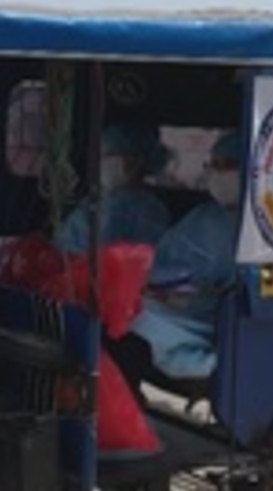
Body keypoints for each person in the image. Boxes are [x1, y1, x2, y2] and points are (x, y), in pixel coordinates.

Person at [111, 131, 242, 393]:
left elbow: (220, 284)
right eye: (213, 166)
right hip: (168, 300)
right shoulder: (206, 214)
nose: (217, 174)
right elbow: (165, 255)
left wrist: (167, 288)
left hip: (195, 314)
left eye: (227, 166)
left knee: (129, 324)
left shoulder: (252, 231)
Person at [55, 123, 172, 252]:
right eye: (99, 157)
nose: (101, 164)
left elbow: (141, 257)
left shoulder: (148, 210)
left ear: (134, 162)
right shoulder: (94, 201)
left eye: (108, 155)